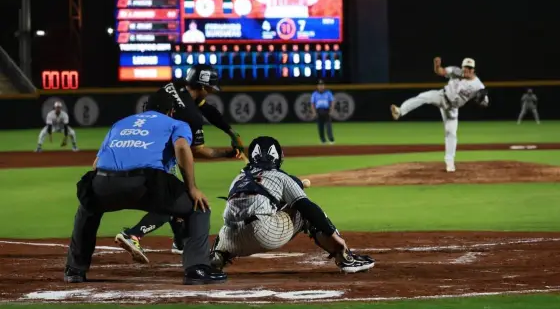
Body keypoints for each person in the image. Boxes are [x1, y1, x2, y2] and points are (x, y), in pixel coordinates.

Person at [64, 89, 227, 285]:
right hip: (146, 184)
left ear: (144, 109)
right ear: (171, 111)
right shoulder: (177, 123)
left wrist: (98, 192)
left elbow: (97, 163)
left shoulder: (120, 124)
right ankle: (197, 269)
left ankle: (74, 270)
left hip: (103, 182)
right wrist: (192, 188)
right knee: (198, 207)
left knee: (87, 208)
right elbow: (183, 148)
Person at [114, 64, 246, 263]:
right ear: (203, 87)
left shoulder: (171, 88)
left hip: (135, 143)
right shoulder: (191, 116)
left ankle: (181, 241)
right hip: (155, 156)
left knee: (175, 193)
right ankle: (133, 234)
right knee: (173, 200)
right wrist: (228, 152)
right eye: (210, 88)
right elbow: (196, 151)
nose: (210, 93)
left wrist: (229, 130)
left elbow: (205, 108)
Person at [209, 136, 375, 273]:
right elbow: (309, 209)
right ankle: (344, 256)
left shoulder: (238, 179)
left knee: (230, 225)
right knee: (305, 212)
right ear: (278, 157)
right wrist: (336, 237)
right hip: (264, 234)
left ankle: (217, 257)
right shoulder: (280, 177)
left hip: (232, 239)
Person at [390, 57, 489, 173]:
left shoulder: (478, 85)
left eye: (470, 68)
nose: (467, 70)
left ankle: (450, 163)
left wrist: (482, 99)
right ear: (462, 67)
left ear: (474, 69)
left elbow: (485, 103)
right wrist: (436, 65)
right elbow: (440, 71)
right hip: (442, 96)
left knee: (451, 133)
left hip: (452, 109)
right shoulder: (456, 71)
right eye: (465, 67)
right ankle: (400, 111)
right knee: (424, 96)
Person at [310, 80, 335, 144]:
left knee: (328, 126)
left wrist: (331, 110)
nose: (321, 86)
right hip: (319, 111)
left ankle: (331, 139)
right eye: (319, 85)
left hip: (326, 110)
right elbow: (312, 104)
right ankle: (323, 140)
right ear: (317, 86)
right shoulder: (314, 94)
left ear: (324, 86)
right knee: (320, 127)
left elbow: (332, 102)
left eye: (322, 85)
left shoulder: (328, 93)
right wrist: (314, 112)